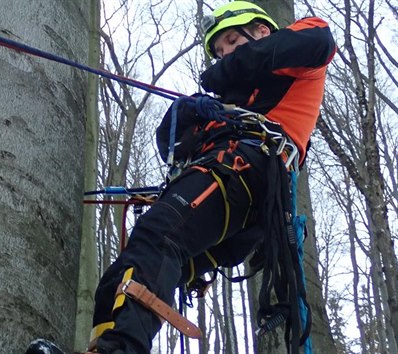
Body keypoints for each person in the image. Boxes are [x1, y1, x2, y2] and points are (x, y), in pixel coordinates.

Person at [84, 1, 336, 354]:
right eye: (219, 51)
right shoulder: (225, 103)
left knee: (159, 237)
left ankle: (121, 348)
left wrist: (228, 71)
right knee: (133, 264)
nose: (224, 55)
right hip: (223, 186)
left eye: (232, 42)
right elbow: (169, 143)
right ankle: (103, 345)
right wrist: (185, 111)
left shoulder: (298, 61)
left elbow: (320, 40)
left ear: (262, 32)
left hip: (245, 170)